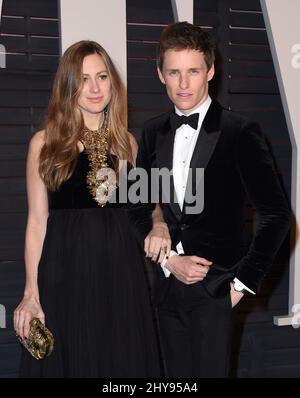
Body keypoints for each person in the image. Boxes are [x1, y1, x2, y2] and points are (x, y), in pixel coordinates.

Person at [136, 22, 291, 378]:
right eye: (174, 72)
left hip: (217, 292)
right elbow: (137, 205)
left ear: (211, 70)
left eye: (193, 71)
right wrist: (168, 261)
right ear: (161, 74)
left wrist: (238, 287)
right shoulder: (151, 132)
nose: (184, 83)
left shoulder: (240, 130)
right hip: (166, 290)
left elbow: (277, 215)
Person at [13, 40, 171, 378]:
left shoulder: (128, 143)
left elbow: (149, 206)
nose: (95, 88)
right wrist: (31, 292)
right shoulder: (45, 144)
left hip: (120, 274)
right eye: (84, 79)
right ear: (69, 86)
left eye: (101, 77)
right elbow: (37, 222)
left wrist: (159, 225)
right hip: (63, 273)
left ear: (112, 83)